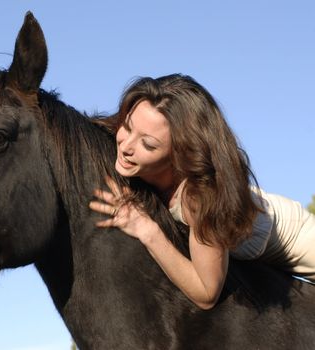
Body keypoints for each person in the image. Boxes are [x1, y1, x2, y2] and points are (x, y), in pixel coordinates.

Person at [89, 74, 315, 310]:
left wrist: (147, 230)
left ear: (180, 153)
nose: (125, 147)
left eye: (148, 144)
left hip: (292, 235)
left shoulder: (198, 196)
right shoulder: (123, 144)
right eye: (126, 126)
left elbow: (207, 294)